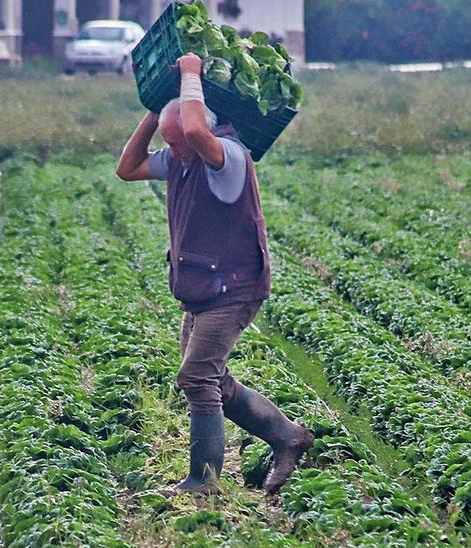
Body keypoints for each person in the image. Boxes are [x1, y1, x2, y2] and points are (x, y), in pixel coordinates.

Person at [115, 53, 313, 496]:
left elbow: (196, 131)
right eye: (172, 142)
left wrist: (189, 75)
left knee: (197, 378)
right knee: (211, 379)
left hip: (234, 286)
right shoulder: (181, 158)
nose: (175, 151)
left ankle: (203, 482)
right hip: (204, 287)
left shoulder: (228, 157)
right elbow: (127, 169)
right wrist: (153, 109)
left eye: (179, 141)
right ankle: (288, 437)